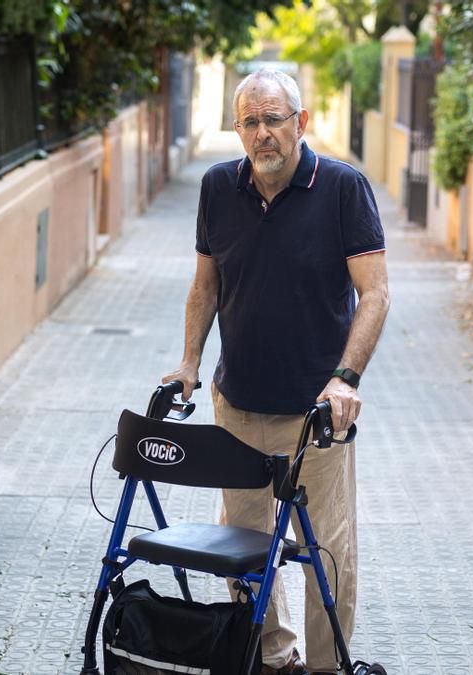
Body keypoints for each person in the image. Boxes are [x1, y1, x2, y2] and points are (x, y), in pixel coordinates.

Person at [161, 68, 389, 675]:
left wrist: (347, 377)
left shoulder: (343, 188)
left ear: (301, 123)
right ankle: (271, 659)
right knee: (243, 547)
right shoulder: (217, 187)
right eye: (251, 122)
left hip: (315, 416)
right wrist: (189, 361)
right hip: (236, 404)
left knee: (326, 553)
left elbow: (375, 293)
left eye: (275, 120)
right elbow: (206, 283)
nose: (264, 134)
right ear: (238, 128)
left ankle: (324, 668)